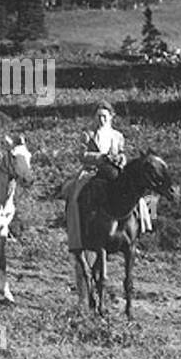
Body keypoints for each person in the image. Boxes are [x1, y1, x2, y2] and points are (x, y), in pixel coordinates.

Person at [64, 101, 129, 252]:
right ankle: (75, 238)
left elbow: (122, 153)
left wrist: (120, 159)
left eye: (105, 116)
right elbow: (82, 155)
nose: (102, 120)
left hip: (113, 171)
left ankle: (139, 230)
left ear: (111, 117)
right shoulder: (88, 134)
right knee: (75, 197)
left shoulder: (117, 136)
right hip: (91, 170)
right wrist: (101, 157)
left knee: (136, 194)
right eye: (99, 116)